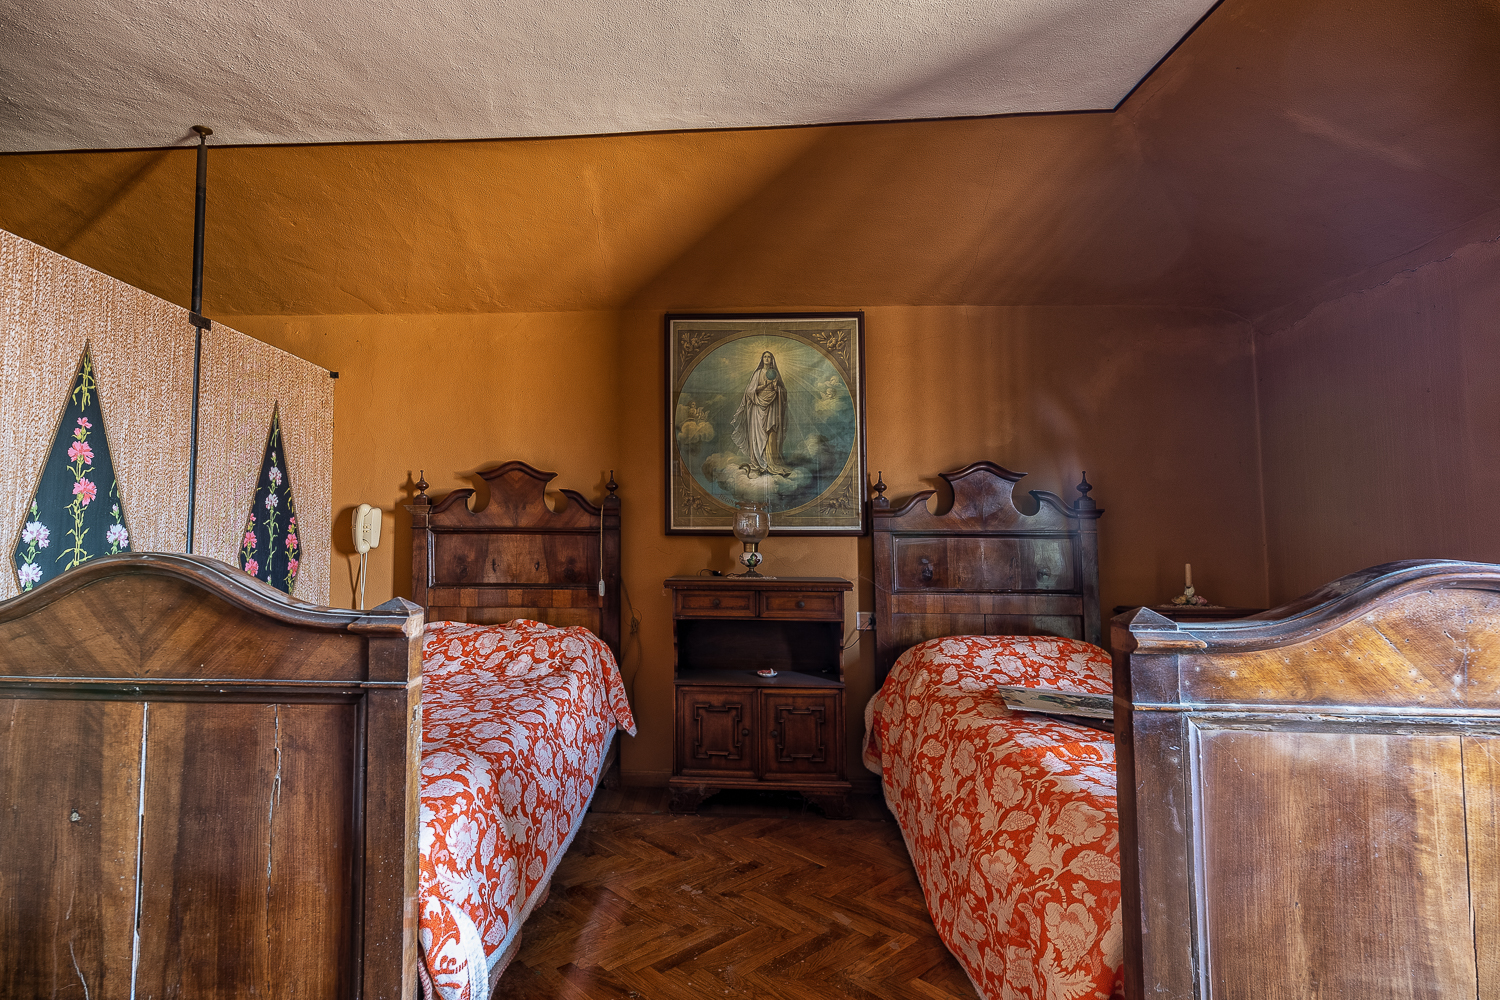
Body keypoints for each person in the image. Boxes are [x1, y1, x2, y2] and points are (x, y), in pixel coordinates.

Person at [731, 351, 790, 477]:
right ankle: (758, 462)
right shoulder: (758, 373)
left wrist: (776, 388)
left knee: (771, 431)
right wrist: (765, 385)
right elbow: (750, 391)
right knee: (757, 434)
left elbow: (782, 391)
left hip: (772, 405)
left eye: (769, 357)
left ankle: (771, 462)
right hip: (758, 407)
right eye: (765, 356)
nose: (767, 358)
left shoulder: (775, 375)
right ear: (762, 359)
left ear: (772, 359)